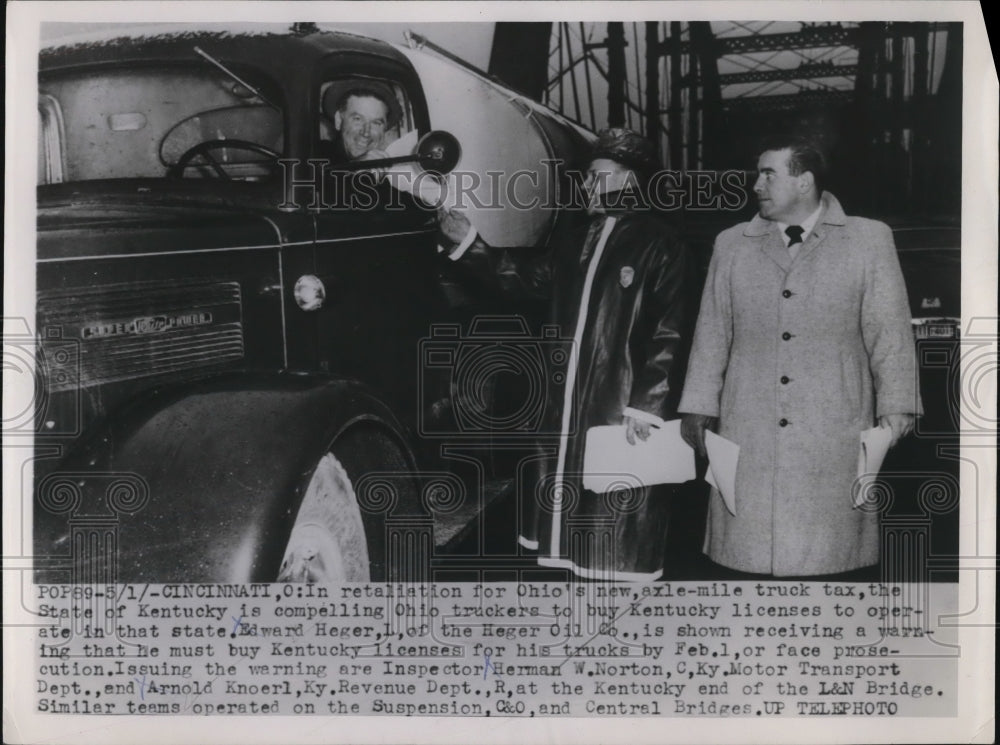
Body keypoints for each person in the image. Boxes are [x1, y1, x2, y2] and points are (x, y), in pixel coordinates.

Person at [437, 128, 690, 581]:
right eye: (588, 178)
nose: (588, 187)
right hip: (566, 403)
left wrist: (647, 406)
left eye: (599, 177)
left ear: (629, 180)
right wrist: (469, 242)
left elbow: (668, 332)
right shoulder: (577, 240)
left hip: (618, 404)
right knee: (564, 518)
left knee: (614, 516)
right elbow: (521, 278)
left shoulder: (660, 243)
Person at [678, 136, 922, 577]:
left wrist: (898, 403)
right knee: (746, 557)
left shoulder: (869, 239)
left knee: (830, 557)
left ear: (804, 181)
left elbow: (889, 330)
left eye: (768, 173)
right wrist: (697, 406)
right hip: (748, 420)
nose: (756, 184)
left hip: (833, 420)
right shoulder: (732, 244)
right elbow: (712, 330)